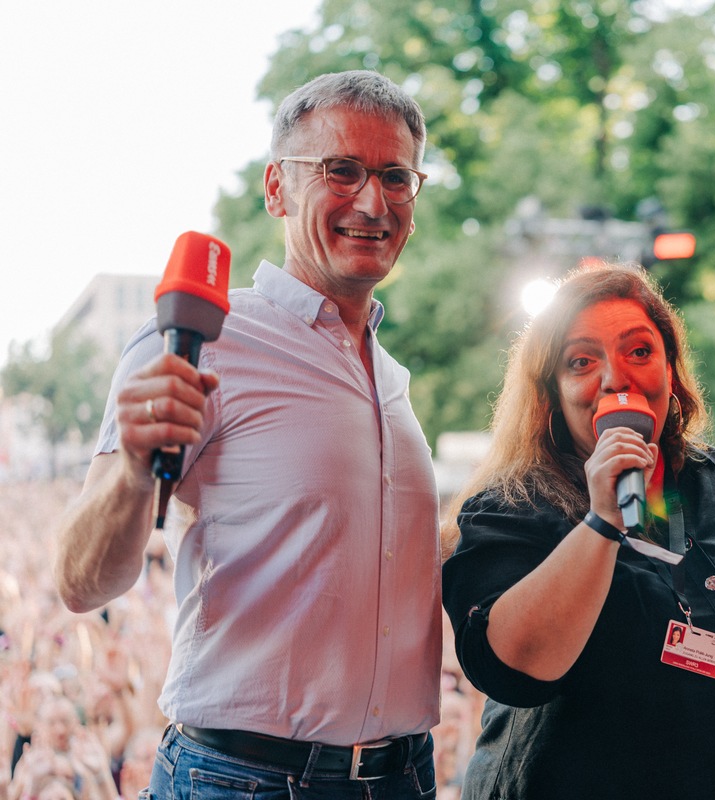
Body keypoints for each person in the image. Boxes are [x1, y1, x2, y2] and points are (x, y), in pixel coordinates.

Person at [53, 70, 441, 798]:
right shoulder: (203, 340)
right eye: (342, 170)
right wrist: (135, 470)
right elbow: (81, 584)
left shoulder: (390, 376)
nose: (373, 200)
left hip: (401, 775)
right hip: (244, 779)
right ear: (276, 189)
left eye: (396, 176)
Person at [441, 263, 715, 799]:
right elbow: (514, 668)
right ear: (552, 397)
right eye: (581, 361)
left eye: (639, 352)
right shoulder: (510, 508)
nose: (616, 378)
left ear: (672, 374)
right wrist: (603, 518)